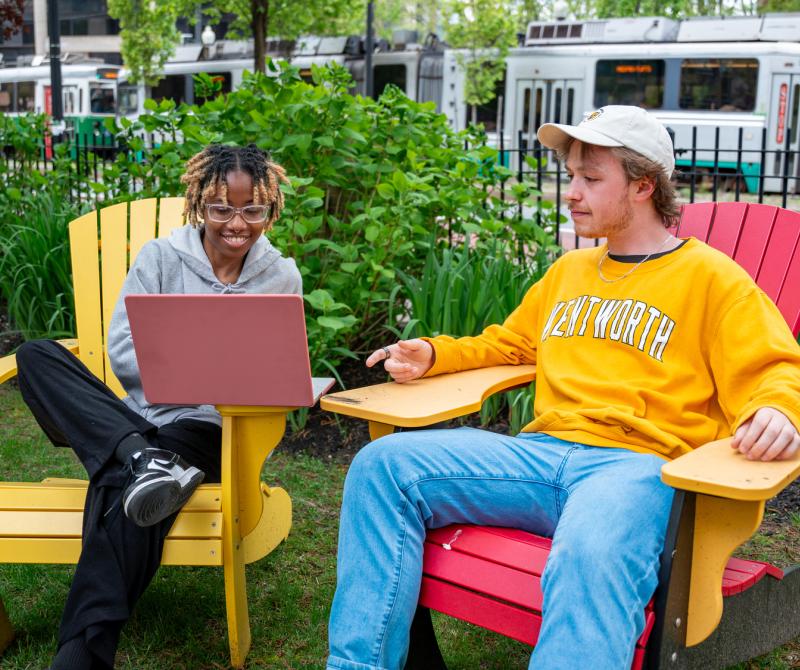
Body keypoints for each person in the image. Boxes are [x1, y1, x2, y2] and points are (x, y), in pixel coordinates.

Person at [326, 106, 800, 670]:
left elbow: (775, 367)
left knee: (593, 549)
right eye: (571, 175)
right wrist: (435, 353)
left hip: (637, 469)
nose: (571, 192)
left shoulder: (713, 279)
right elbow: (510, 344)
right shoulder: (569, 272)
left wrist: (779, 408)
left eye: (591, 178)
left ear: (644, 185)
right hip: (538, 456)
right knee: (383, 467)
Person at [15, 144, 301, 670]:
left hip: (210, 427)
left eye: (252, 210)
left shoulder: (280, 276)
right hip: (144, 413)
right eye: (222, 209)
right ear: (199, 205)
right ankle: (138, 456)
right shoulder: (160, 258)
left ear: (269, 209)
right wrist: (174, 380)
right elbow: (123, 348)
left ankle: (81, 652)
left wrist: (211, 385)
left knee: (123, 486)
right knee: (36, 355)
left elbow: (278, 369)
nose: (237, 223)